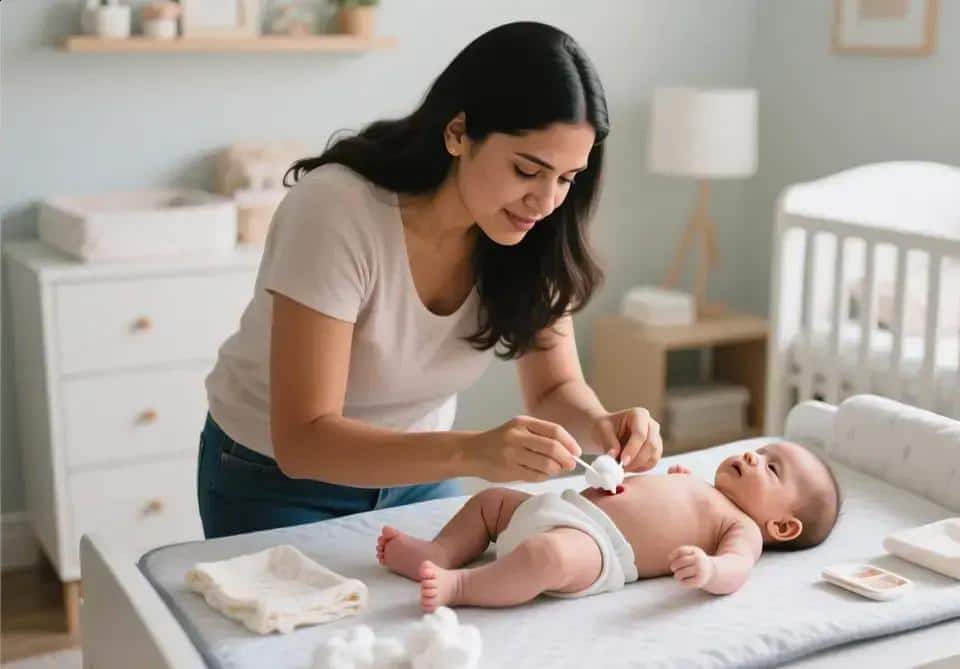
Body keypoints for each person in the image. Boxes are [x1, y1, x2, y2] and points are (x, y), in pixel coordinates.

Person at [198, 21, 663, 539]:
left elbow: (554, 387)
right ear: (459, 132)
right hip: (273, 479)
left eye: (566, 178)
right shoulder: (337, 211)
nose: (548, 201)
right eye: (528, 170)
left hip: (419, 476)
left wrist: (602, 426)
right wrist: (473, 452)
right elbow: (304, 440)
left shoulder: (534, 232)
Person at [375, 442, 842, 612]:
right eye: (760, 451)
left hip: (598, 548)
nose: (750, 456)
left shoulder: (739, 526)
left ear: (782, 526)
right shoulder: (700, 486)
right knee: (491, 500)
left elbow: (737, 568)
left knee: (546, 559)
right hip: (562, 506)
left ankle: (462, 584)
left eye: (771, 468)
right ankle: (440, 552)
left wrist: (709, 570)